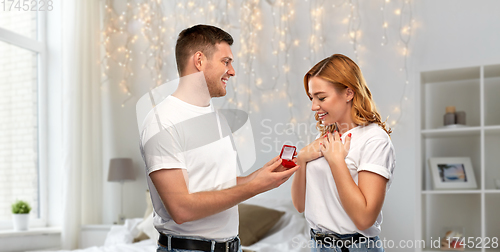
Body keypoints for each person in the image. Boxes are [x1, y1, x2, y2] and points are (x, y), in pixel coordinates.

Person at [139, 24, 299, 252]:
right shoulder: (162, 121)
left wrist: (260, 178)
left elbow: (216, 185)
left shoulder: (215, 117)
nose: (232, 71)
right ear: (199, 61)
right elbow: (181, 209)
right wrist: (253, 188)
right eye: (226, 62)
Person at [291, 54, 396, 252]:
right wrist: (301, 159)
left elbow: (364, 218)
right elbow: (300, 205)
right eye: (312, 98)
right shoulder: (327, 136)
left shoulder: (374, 139)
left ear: (348, 93)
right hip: (317, 245)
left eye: (321, 97)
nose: (314, 106)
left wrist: (337, 162)